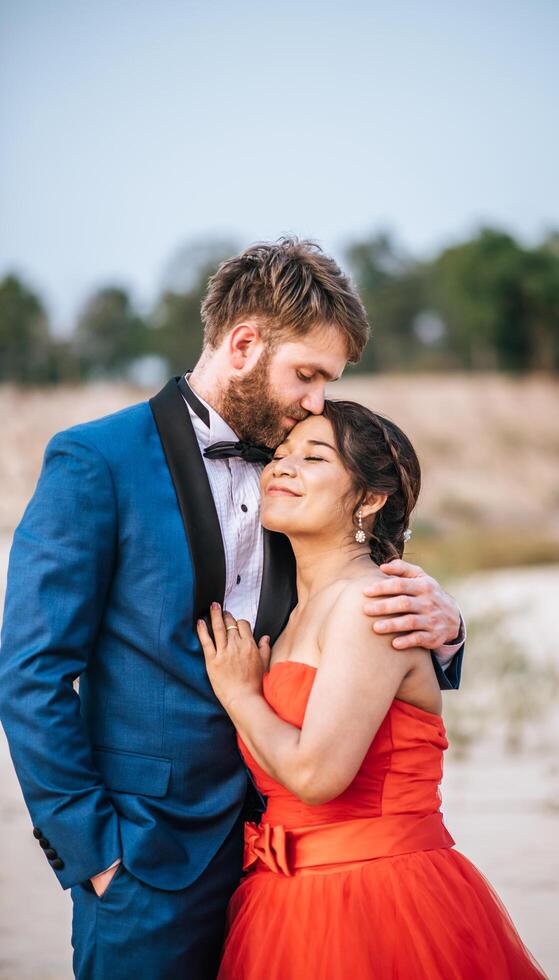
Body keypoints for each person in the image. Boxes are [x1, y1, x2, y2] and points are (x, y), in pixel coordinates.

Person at [0, 238, 465, 980]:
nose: (317, 401)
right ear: (245, 343)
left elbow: (347, 600)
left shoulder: (298, 467)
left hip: (290, 857)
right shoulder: (97, 461)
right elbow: (30, 675)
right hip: (146, 861)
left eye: (328, 382)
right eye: (307, 375)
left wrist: (447, 625)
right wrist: (94, 855)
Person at [198, 400, 547, 980]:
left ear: (369, 498)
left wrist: (240, 695)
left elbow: (317, 777)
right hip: (282, 898)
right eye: (280, 455)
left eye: (313, 458)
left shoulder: (372, 603)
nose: (282, 467)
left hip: (375, 897)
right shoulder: (289, 615)